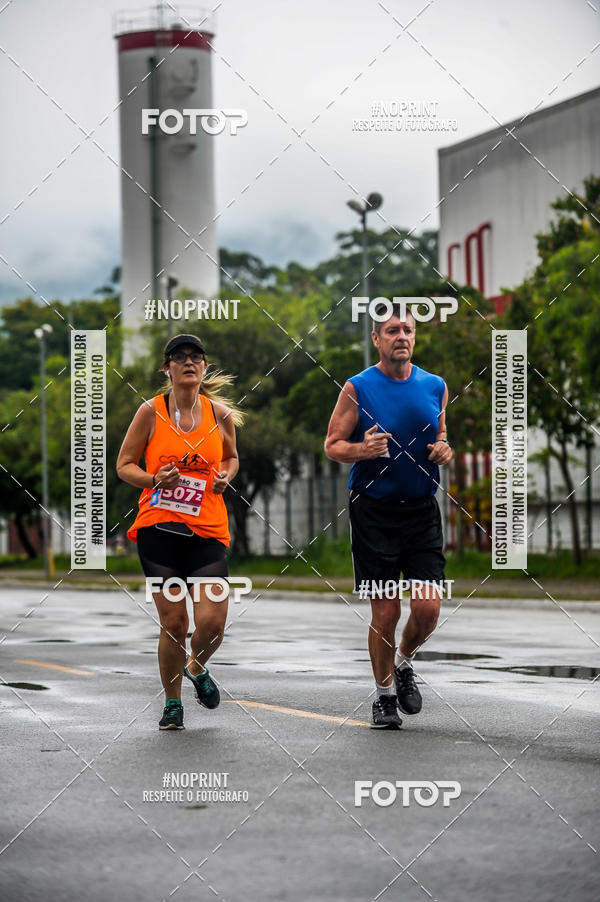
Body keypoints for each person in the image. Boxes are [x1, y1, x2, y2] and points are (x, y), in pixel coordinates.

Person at [324, 304, 453, 728]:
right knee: (385, 613)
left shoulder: (436, 386)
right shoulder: (357, 387)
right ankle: (382, 697)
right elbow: (332, 445)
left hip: (420, 510)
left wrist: (444, 449)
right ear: (377, 339)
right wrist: (362, 449)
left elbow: (441, 436)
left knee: (429, 609)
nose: (402, 336)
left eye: (409, 330)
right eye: (393, 330)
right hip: (373, 511)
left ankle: (403, 662)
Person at [117, 334, 243, 730]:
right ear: (166, 368)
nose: (188, 362)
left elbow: (232, 457)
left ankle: (196, 666)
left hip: (207, 530)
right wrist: (155, 479)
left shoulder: (219, 415)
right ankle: (173, 704)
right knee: (174, 623)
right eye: (179, 357)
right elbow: (124, 466)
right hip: (160, 530)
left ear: (204, 367)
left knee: (212, 623)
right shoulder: (150, 412)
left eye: (195, 357)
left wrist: (226, 476)